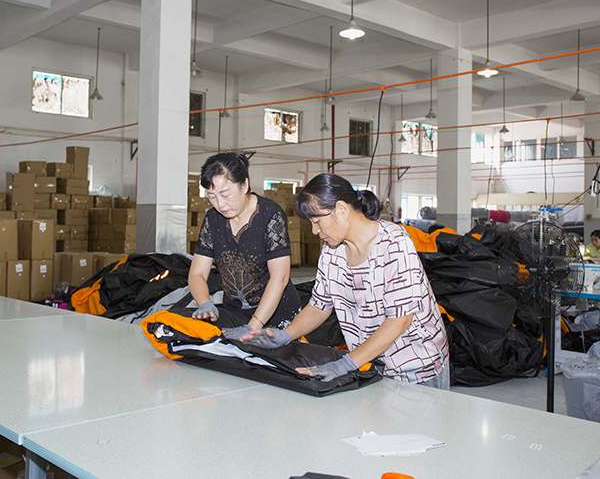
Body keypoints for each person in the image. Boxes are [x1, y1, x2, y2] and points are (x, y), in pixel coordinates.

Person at [240, 173, 450, 389]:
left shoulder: (394, 243)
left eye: (317, 221)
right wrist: (287, 334)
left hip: (417, 367)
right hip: (369, 363)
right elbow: (319, 306)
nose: (314, 230)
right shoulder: (332, 251)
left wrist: (345, 364)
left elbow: (400, 319)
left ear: (341, 209)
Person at [188, 152, 301, 339]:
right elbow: (197, 273)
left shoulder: (270, 215)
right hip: (235, 313)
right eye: (212, 196)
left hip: (275, 316)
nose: (220, 204)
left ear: (244, 185)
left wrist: (253, 326)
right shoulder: (213, 219)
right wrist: (204, 303)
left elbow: (279, 278)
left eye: (225, 194)